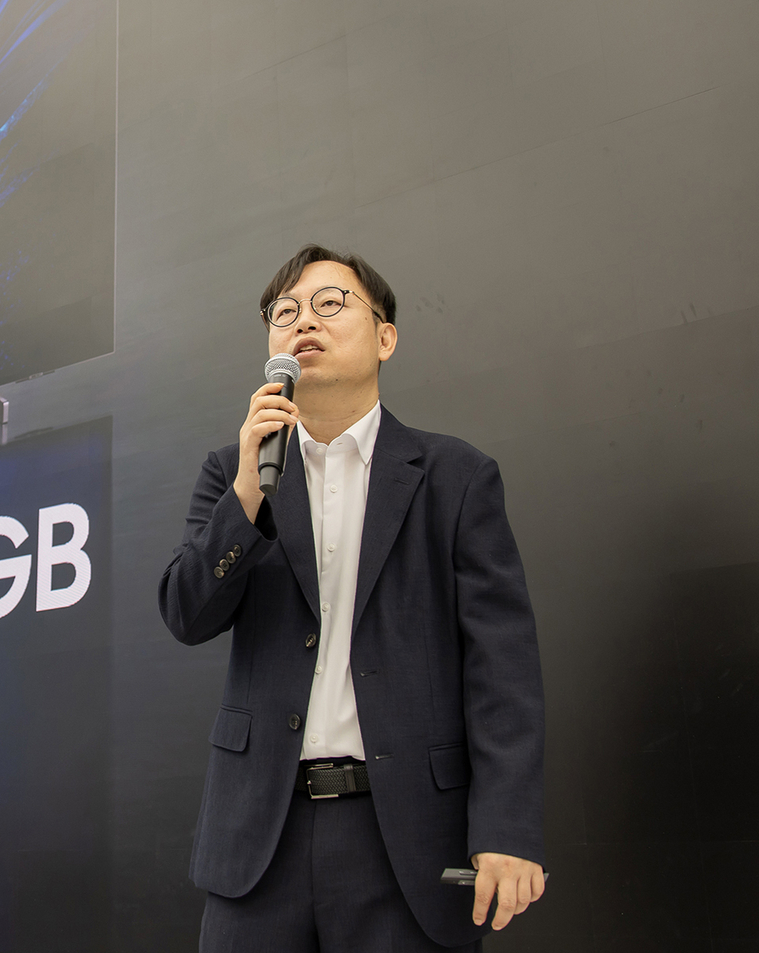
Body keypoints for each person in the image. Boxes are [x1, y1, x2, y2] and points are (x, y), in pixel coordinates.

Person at [158, 244, 545, 952]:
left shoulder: (453, 475)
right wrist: (247, 495)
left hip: (405, 838)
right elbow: (186, 614)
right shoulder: (233, 472)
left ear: (385, 336)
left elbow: (503, 666)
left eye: (329, 303)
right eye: (284, 313)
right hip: (257, 841)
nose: (303, 321)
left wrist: (506, 828)